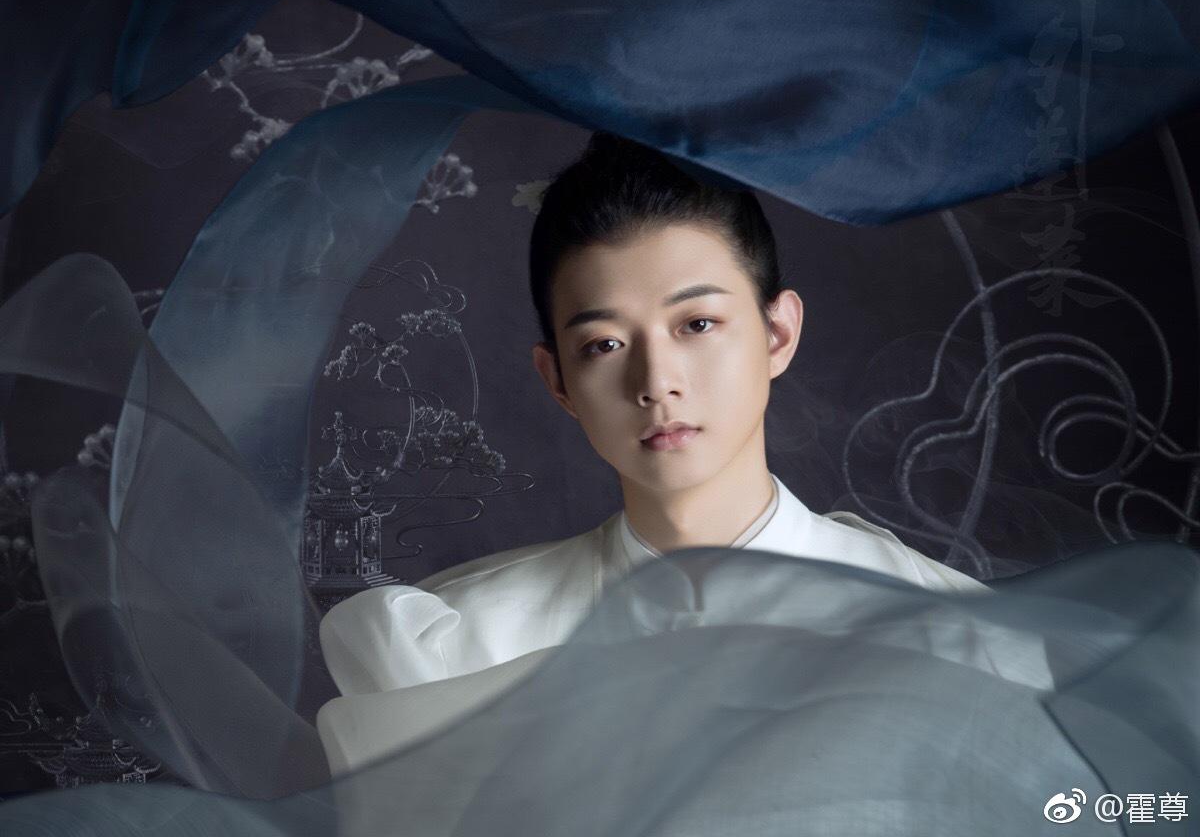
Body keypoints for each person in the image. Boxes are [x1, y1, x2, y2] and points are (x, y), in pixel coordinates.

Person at [315, 133, 1054, 774]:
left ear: (777, 334)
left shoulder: (960, 637)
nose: (656, 381)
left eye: (697, 324)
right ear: (558, 380)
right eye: (604, 344)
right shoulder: (452, 649)